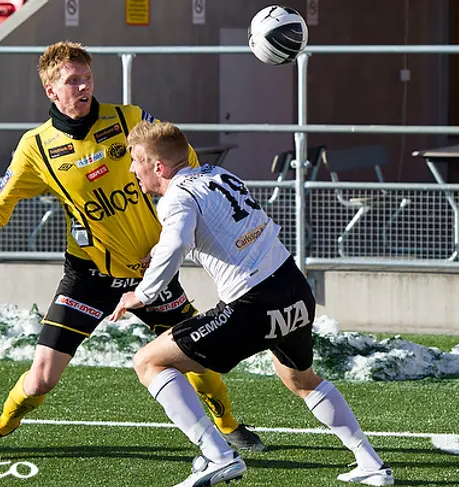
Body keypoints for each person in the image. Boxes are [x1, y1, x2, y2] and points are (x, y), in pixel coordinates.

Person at [0, 41, 264, 453]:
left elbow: (183, 158)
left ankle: (229, 425)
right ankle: (2, 423)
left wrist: (173, 230)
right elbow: (1, 203)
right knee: (41, 378)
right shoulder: (35, 147)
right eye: (72, 81)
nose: (83, 87)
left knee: (196, 360)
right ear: (51, 91)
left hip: (150, 274)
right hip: (87, 277)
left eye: (87, 78)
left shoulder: (127, 119)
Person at [110, 121, 395, 487]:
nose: (133, 170)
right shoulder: (217, 173)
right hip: (293, 286)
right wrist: (159, 251)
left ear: (159, 167)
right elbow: (218, 227)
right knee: (301, 379)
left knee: (148, 360)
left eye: (136, 161)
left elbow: (178, 241)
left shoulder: (176, 197)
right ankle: (370, 462)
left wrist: (142, 294)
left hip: (252, 304)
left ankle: (217, 457)